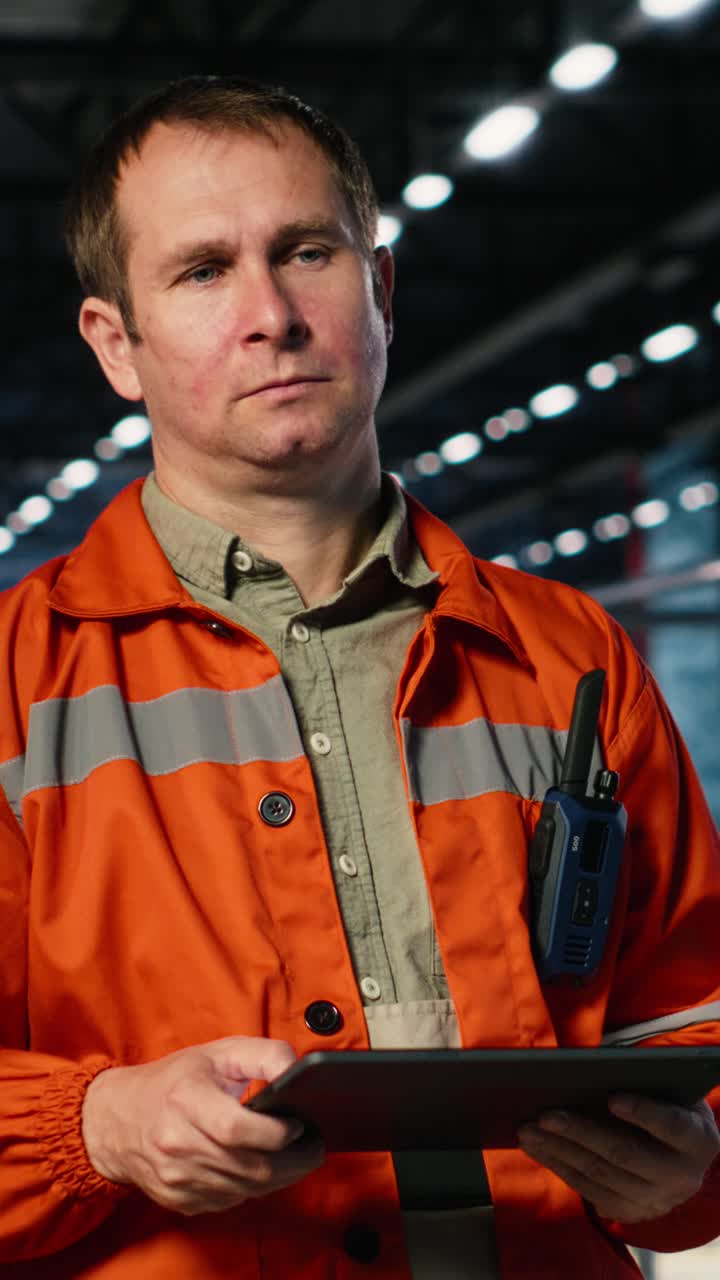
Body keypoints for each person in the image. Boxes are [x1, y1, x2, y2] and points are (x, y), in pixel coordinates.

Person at [0, 74, 719, 1280]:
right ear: (116, 346)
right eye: (201, 270)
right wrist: (97, 1126)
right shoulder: (18, 684)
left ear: (379, 289)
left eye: (307, 252)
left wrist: (691, 1162)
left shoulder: (572, 660)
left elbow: (687, 1019)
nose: (271, 312)